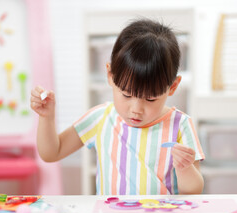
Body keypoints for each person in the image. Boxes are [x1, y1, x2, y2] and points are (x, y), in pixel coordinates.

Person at [30, 19, 205, 195]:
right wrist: (47, 117)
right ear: (110, 75)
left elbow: (194, 190)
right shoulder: (100, 118)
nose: (136, 108)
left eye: (150, 99)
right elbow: (52, 152)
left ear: (173, 87)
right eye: (127, 95)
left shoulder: (180, 125)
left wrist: (185, 168)